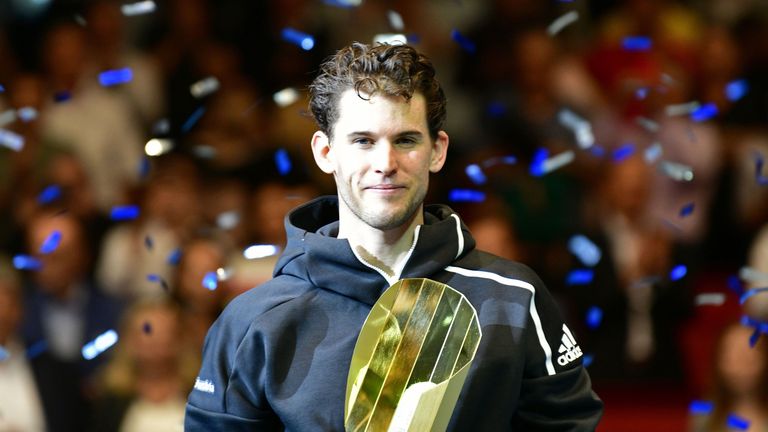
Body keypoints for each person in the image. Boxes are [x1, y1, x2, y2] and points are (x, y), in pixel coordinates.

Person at [185, 42, 603, 430]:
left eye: (405, 140)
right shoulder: (251, 321)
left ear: (437, 151)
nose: (385, 162)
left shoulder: (515, 298)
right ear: (325, 152)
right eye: (363, 141)